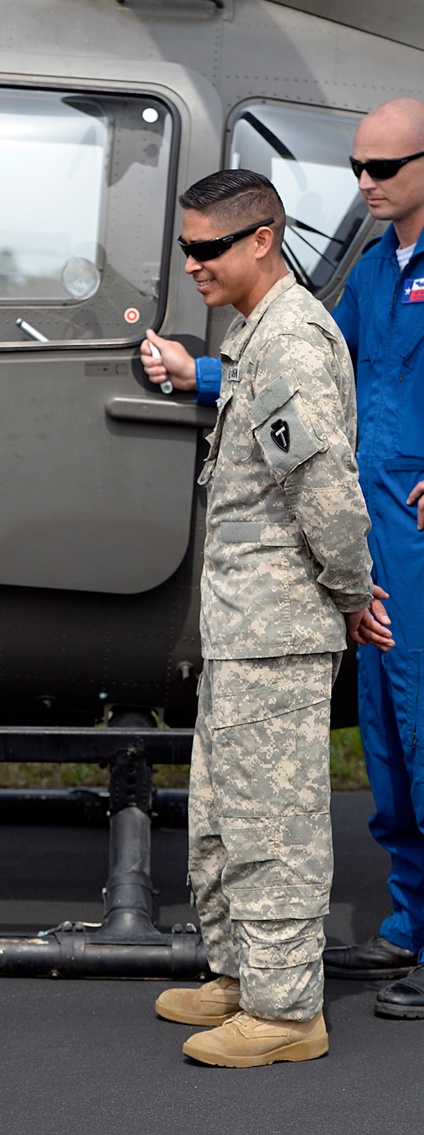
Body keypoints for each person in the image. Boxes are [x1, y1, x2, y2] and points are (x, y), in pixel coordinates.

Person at [144, 98, 424, 1020]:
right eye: (356, 169)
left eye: (383, 170)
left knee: (413, 739)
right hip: (364, 524)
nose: (364, 186)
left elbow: (303, 400)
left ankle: (299, 991)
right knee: (387, 745)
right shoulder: (376, 275)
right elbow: (301, 395)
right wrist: (199, 376)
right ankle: (407, 924)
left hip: (393, 529)